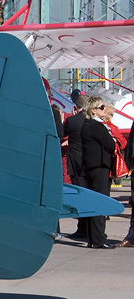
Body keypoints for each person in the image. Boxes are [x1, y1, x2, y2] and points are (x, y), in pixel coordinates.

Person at [81, 95, 116, 248]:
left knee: (93, 203)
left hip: (92, 167)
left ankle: (93, 238)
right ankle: (99, 239)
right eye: (102, 107)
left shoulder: (88, 125)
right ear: (94, 110)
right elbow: (110, 144)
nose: (104, 109)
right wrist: (112, 140)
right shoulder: (96, 126)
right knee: (100, 202)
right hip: (99, 168)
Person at [61, 95, 89, 240]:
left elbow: (60, 133)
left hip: (75, 162)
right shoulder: (92, 121)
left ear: (75, 107)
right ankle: (91, 228)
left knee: (79, 193)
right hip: (89, 162)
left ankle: (82, 228)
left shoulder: (72, 121)